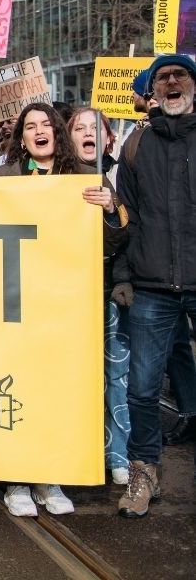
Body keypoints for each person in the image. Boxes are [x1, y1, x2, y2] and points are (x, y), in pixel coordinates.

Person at [0, 101, 126, 517]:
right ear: (21, 138)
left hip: (64, 306)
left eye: (46, 124)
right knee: (15, 386)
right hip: (13, 302)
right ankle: (16, 478)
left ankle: (49, 479)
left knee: (55, 390)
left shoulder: (86, 179)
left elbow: (115, 242)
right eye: (29, 126)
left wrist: (108, 209)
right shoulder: (0, 179)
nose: (38, 131)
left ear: (57, 132)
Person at [111, 54, 196, 518]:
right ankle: (144, 473)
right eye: (163, 78)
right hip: (151, 286)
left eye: (180, 75)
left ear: (193, 85)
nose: (172, 83)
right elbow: (127, 219)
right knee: (142, 389)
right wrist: (123, 276)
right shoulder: (135, 147)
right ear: (154, 91)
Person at [69, 107, 131, 484]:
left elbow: (129, 236)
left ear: (108, 138)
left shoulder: (122, 177)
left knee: (116, 375)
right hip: (67, 297)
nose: (88, 133)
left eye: (96, 128)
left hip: (109, 292)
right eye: (80, 128)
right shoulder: (53, 179)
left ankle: (118, 455)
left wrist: (112, 210)